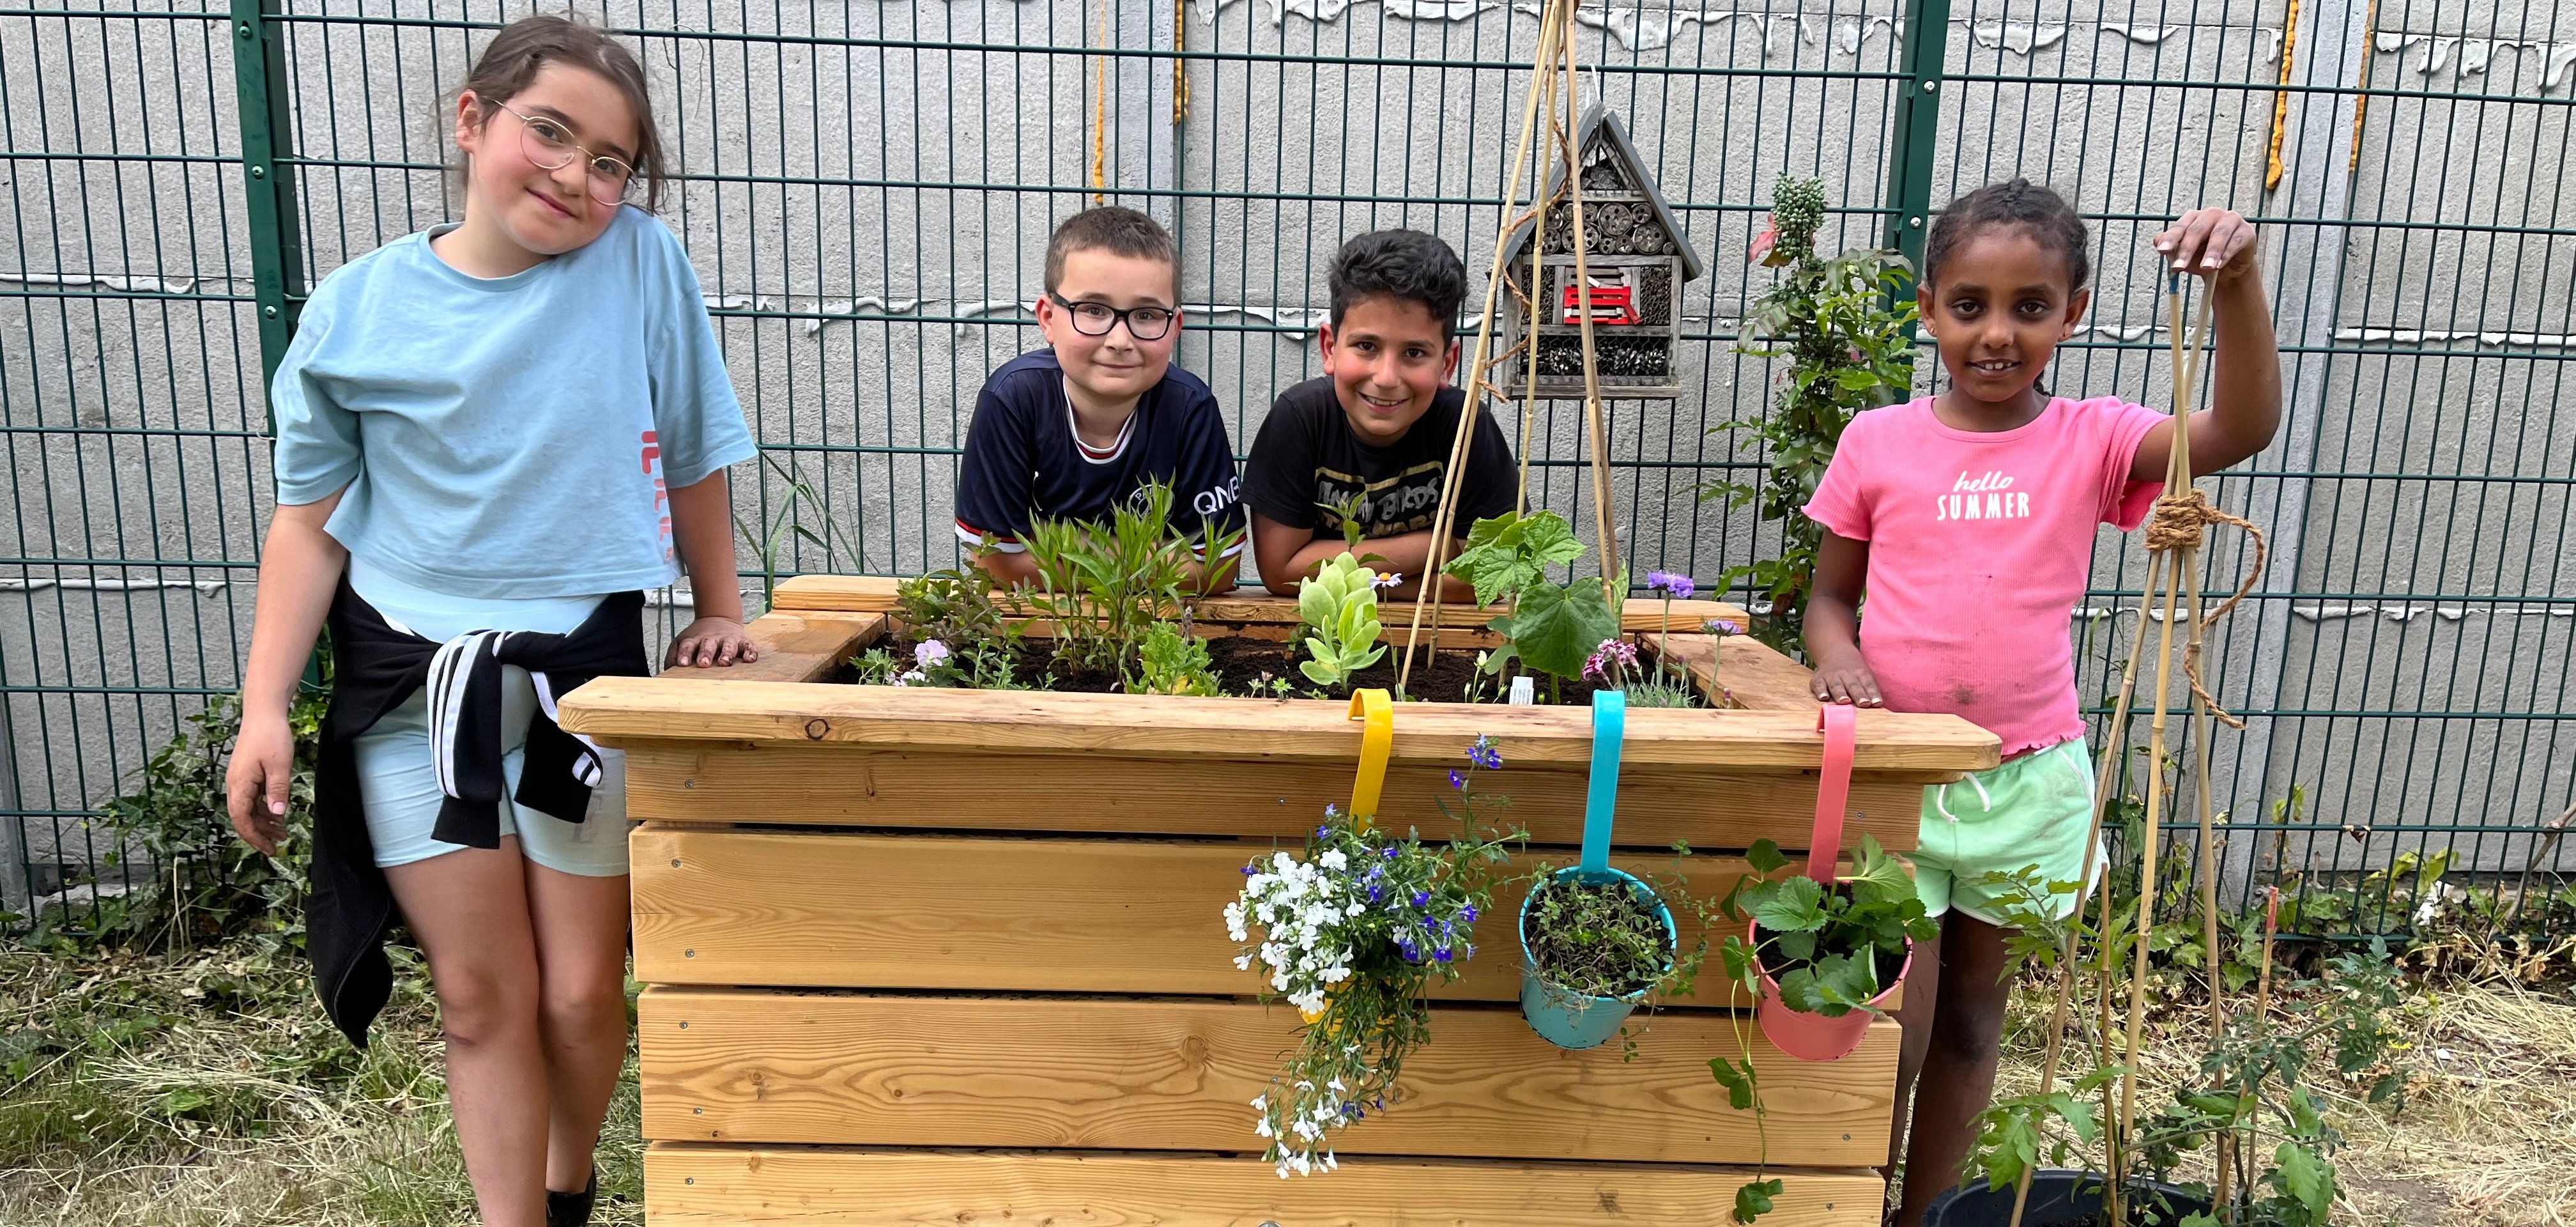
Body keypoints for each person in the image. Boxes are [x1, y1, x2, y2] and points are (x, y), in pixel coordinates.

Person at [221, 17, 758, 1227]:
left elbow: (697, 447)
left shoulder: (641, 267)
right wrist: (266, 709)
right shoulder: (357, 311)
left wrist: (720, 610)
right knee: (482, 997)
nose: (576, 176)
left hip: (584, 685)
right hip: (413, 696)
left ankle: (570, 1191)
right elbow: (307, 523)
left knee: (581, 996)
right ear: (473, 120)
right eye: (550, 133)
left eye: (612, 161)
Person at [1800, 180, 2281, 1226]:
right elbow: (1827, 601)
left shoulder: (2094, 440)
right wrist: (1836, 658)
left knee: (1975, 1024)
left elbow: (2238, 425)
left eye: (2030, 306)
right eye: (1968, 305)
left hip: (2028, 784)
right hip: (1901, 779)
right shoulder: (1876, 445)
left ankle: (1925, 1215)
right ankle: (1849, 1201)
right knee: (1895, 1028)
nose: (1996, 333)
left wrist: (2236, 283)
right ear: (1926, 307)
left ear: (2074, 310)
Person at [953, 206, 1246, 589]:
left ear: (1175, 327)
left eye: (1146, 315)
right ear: (1047, 318)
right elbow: (991, 563)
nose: (1120, 341)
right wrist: (1148, 556)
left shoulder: (1191, 408)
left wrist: (1060, 545)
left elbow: (1221, 569)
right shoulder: (1012, 400)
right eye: (1092, 310)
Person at [1243, 229, 1517, 601]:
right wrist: (1440, 547)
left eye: (1415, 353)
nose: (1387, 378)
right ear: (1330, 348)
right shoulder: (1300, 420)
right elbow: (1283, 573)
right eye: (1367, 346)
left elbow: (1491, 577)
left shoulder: (1465, 425)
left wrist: (1362, 581)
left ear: (1447, 364)